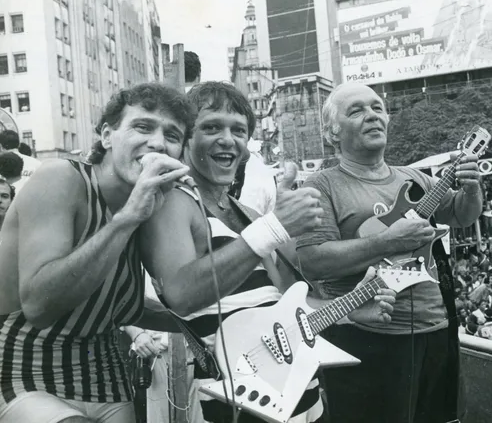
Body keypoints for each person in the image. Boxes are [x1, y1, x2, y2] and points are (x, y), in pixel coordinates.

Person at [138, 82, 396, 423]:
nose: (227, 139)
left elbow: (285, 309)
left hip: (299, 394)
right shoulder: (173, 202)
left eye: (238, 130)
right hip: (237, 401)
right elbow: (183, 295)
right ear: (185, 138)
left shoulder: (250, 216)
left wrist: (349, 310)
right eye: (211, 127)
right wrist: (274, 227)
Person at [0, 83, 196, 423]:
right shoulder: (61, 179)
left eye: (172, 135)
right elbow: (38, 305)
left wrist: (210, 325)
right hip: (24, 372)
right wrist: (128, 218)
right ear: (107, 135)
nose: (158, 142)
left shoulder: (151, 205)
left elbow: (115, 306)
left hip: (106, 380)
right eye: (143, 126)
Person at [296, 82, 484, 423]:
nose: (372, 116)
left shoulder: (414, 178)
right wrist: (387, 242)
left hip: (436, 330)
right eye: (356, 110)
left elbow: (461, 214)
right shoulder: (320, 186)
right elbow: (312, 261)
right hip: (368, 338)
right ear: (332, 134)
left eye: (377, 108)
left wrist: (472, 187)